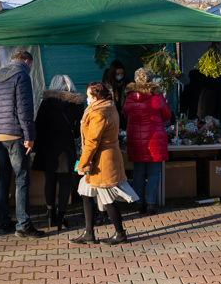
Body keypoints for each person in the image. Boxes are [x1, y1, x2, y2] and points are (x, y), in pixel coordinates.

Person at [71, 81, 139, 245]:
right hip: (103, 160)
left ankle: (120, 233)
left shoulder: (98, 113)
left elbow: (92, 142)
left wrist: (82, 164)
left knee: (107, 198)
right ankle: (89, 232)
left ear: (95, 97)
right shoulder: (108, 107)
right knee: (86, 192)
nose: (86, 99)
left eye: (88, 96)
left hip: (102, 163)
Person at [0, 50, 44, 238]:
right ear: (26, 61)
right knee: (22, 179)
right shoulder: (22, 76)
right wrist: (30, 136)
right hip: (15, 135)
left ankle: (3, 221)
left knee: (4, 178)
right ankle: (23, 224)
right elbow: (25, 109)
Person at [34, 74, 85, 231]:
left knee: (50, 180)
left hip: (48, 147)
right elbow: (78, 130)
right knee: (65, 182)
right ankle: (62, 216)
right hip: (67, 147)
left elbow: (38, 125)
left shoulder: (46, 102)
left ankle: (50, 212)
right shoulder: (77, 104)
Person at [124, 68, 171, 215]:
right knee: (154, 173)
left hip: (136, 138)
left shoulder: (130, 96)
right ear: (151, 79)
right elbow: (167, 114)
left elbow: (125, 114)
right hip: (154, 138)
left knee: (138, 172)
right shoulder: (157, 96)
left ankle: (140, 203)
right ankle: (151, 204)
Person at [101, 59, 129, 128]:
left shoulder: (125, 82)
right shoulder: (106, 83)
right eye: (118, 74)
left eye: (122, 74)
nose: (120, 75)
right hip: (111, 112)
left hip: (122, 111)